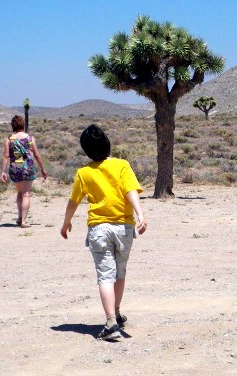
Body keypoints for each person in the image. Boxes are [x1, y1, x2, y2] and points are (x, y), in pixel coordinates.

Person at [61, 125, 147, 341]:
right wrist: (140, 215)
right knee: (120, 273)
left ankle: (111, 322)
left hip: (99, 229)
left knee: (105, 276)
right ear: (107, 144)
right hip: (124, 228)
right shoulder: (122, 165)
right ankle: (116, 313)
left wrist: (66, 223)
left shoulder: (84, 172)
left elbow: (74, 201)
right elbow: (130, 190)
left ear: (86, 150)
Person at [0, 115, 48, 228]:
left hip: (15, 169)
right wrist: (43, 169)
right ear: (23, 124)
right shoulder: (30, 138)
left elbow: (6, 156)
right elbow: (37, 155)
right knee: (26, 194)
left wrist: (3, 171)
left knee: (19, 193)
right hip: (28, 168)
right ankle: (24, 221)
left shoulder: (9, 139)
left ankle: (20, 217)